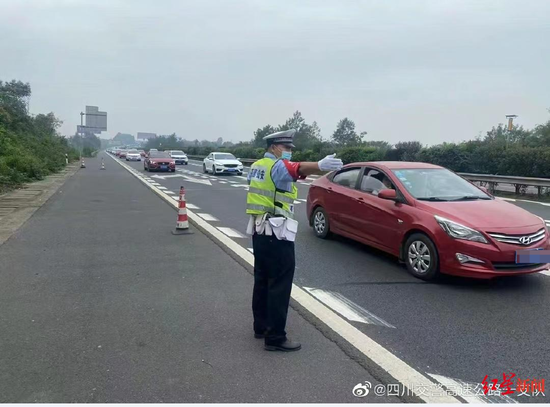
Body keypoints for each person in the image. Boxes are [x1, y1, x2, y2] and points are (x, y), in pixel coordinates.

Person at [246, 129, 343, 352]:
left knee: (262, 281)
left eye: (290, 149)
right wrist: (320, 164)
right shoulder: (277, 165)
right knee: (279, 284)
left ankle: (260, 327)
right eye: (286, 148)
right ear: (273, 147)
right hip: (276, 233)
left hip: (260, 231)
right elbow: (297, 168)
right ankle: (276, 337)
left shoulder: (258, 165)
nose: (288, 152)